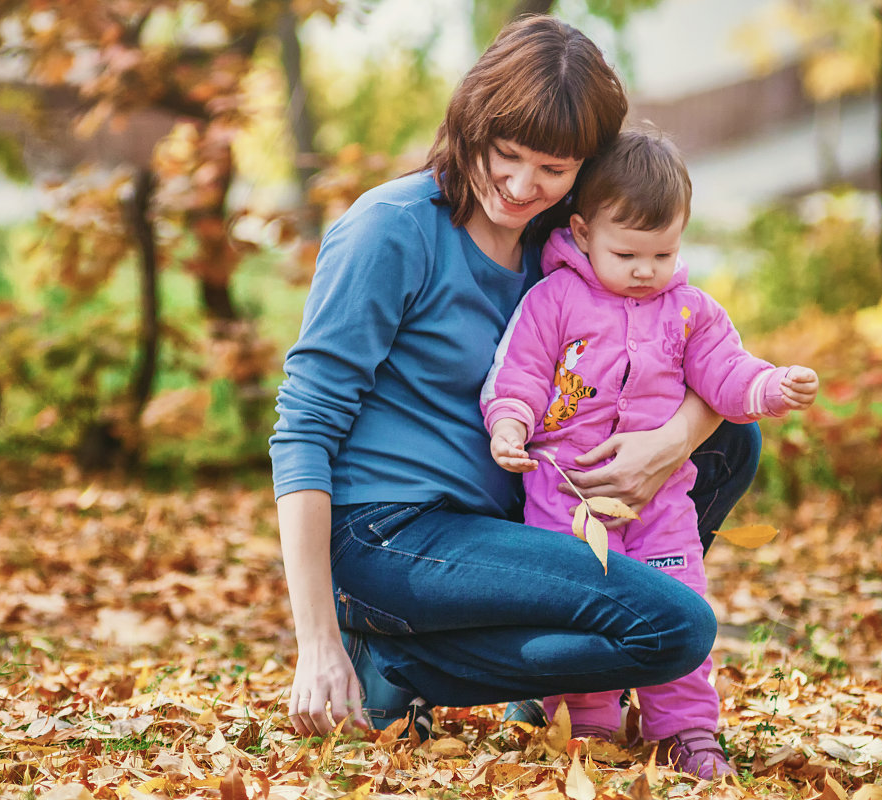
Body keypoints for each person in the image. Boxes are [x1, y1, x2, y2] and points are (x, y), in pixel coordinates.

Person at [270, 15, 760, 749]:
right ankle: (395, 658)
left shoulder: (565, 247)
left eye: (553, 170)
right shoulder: (391, 231)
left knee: (731, 444)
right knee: (677, 628)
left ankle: (540, 680)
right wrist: (315, 642)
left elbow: (687, 347)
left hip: (504, 514)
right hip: (389, 534)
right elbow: (303, 428)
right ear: (471, 123)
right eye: (507, 154)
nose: (522, 185)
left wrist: (670, 443)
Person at [482, 128, 819, 778]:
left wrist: (771, 386)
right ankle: (589, 729)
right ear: (581, 233)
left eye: (663, 253)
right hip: (568, 508)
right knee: (583, 621)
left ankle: (688, 730)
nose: (646, 270)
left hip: (661, 507)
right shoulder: (553, 302)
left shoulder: (688, 312)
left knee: (681, 606)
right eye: (628, 252)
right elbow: (516, 372)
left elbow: (725, 371)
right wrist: (510, 424)